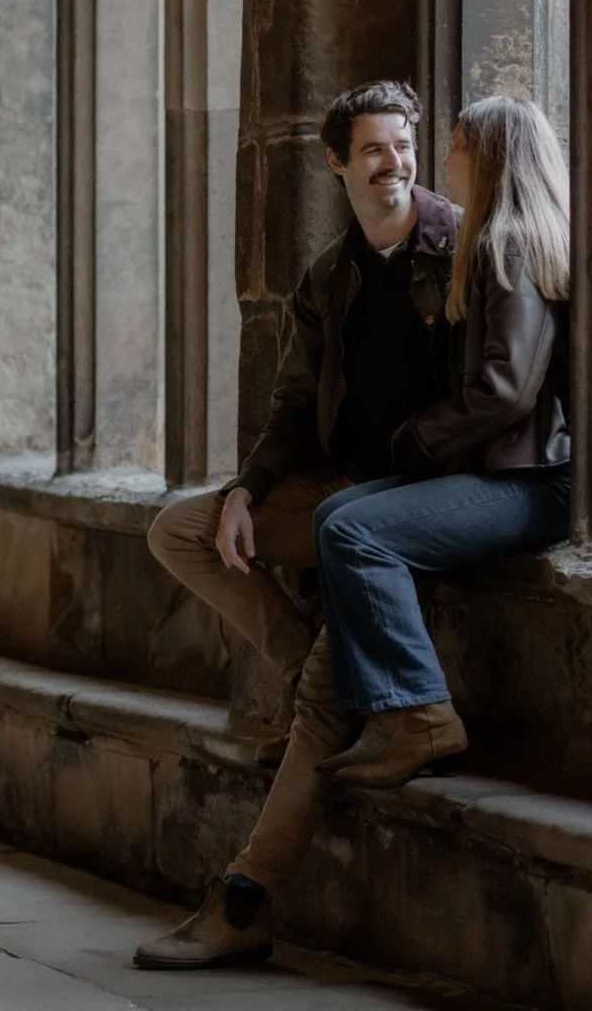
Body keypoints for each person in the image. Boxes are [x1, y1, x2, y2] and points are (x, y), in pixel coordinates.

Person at [133, 79, 457, 971]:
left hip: (411, 510)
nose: (395, 163)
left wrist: (395, 487)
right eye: (375, 150)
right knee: (181, 529)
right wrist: (248, 490)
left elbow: (488, 400)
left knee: (324, 699)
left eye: (404, 144)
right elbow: (292, 399)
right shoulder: (333, 272)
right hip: (333, 491)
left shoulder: (458, 249)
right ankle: (310, 644)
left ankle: (246, 899)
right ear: (336, 163)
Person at [312, 94, 571, 789]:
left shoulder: (510, 240)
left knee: (357, 534)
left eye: (455, 145)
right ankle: (385, 717)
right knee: (332, 517)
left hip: (529, 480)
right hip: (501, 470)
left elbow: (508, 389)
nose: (443, 161)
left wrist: (416, 439)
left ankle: (422, 716)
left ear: (486, 157)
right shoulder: (495, 239)